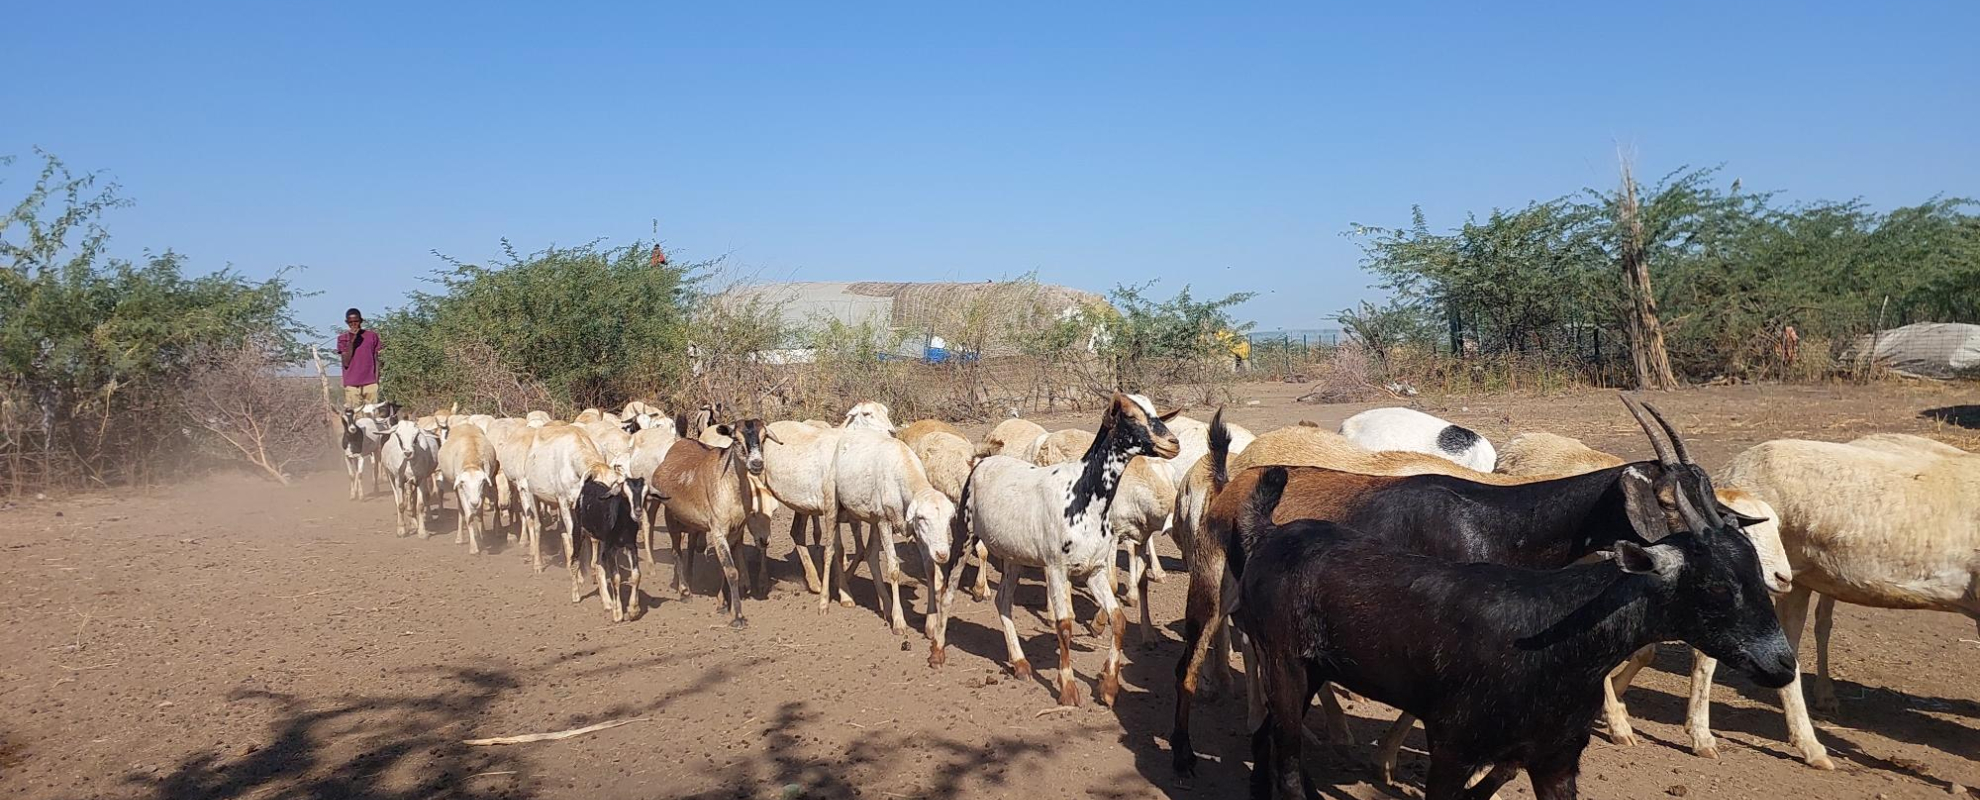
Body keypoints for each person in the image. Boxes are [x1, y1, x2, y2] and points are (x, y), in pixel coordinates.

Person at [336, 308, 383, 408]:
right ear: (347, 322)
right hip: (352, 384)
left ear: (361, 321)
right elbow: (346, 362)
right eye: (350, 322)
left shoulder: (372, 336)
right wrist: (352, 342)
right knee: (355, 414)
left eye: (356, 321)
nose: (354, 324)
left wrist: (376, 380)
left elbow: (376, 360)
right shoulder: (343, 338)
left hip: (370, 383)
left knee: (371, 414)